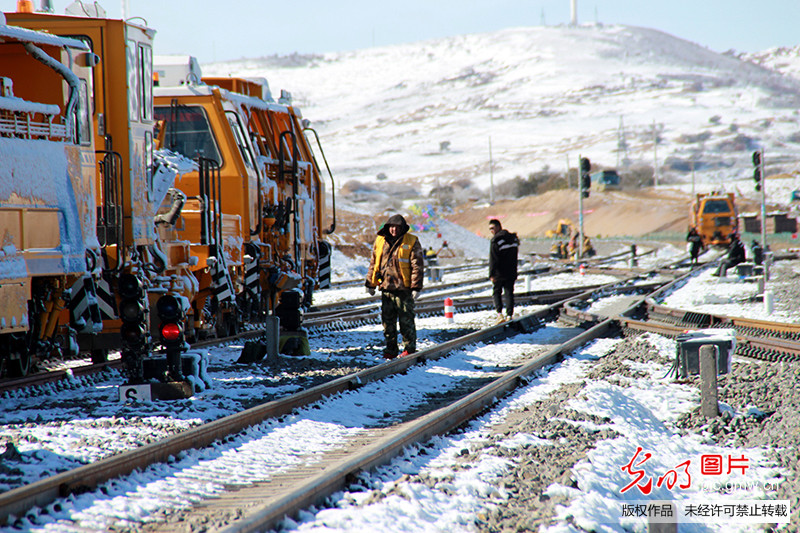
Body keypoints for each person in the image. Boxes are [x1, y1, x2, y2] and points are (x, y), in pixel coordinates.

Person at [365, 214, 424, 358]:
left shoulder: (412, 241)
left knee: (406, 321)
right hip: (386, 288)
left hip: (404, 289)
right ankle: (390, 350)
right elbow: (374, 263)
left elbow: (418, 266)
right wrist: (370, 283)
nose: (394, 230)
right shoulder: (380, 241)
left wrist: (416, 287)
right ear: (387, 227)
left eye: (397, 228)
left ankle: (409, 349)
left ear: (403, 229)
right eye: (391, 227)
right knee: (388, 323)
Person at [488, 219, 519, 323]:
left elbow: (493, 259)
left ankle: (499, 314)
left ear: (498, 227)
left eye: (492, 228)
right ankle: (509, 315)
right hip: (511, 271)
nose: (491, 231)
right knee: (509, 293)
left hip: (499, 273)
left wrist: (491, 274)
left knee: (497, 292)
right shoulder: (513, 239)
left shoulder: (496, 240)